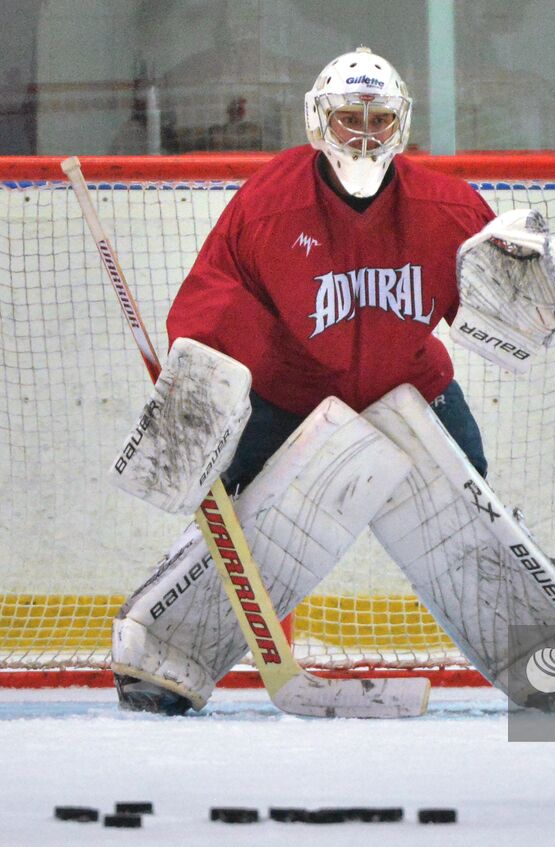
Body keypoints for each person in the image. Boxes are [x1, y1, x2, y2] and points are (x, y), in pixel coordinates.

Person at [109, 46, 496, 713]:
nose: (365, 134)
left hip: (407, 388)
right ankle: (163, 651)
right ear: (321, 122)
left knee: (470, 508)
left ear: (400, 125)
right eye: (351, 118)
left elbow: (494, 306)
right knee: (238, 516)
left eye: (379, 119)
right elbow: (216, 295)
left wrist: (525, 287)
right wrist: (198, 390)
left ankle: (537, 649)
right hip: (290, 393)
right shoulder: (270, 206)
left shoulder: (447, 207)